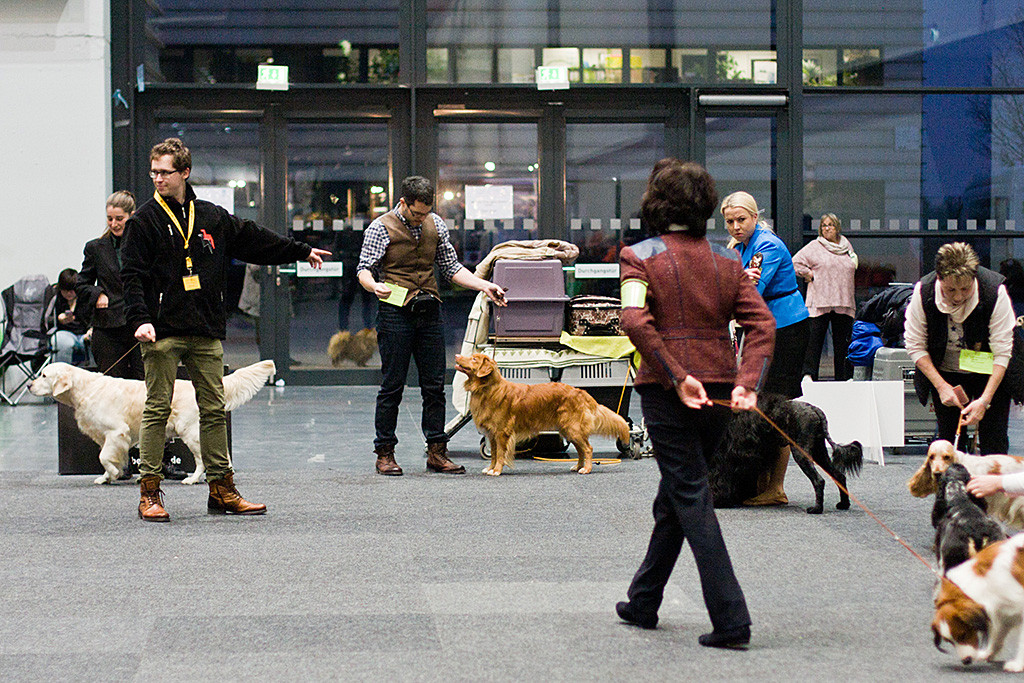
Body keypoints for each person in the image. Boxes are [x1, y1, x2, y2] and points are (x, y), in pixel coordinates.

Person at [122, 137, 331, 522]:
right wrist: (140, 319)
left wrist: (300, 251)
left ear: (184, 172)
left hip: (204, 328)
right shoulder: (143, 221)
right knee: (156, 409)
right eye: (153, 173)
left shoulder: (211, 216)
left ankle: (222, 489)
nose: (157, 180)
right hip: (162, 331)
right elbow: (131, 277)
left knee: (214, 409)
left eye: (165, 173)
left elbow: (254, 240)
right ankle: (149, 492)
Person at [615, 159, 775, 649]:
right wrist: (747, 382)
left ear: (655, 205)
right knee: (679, 494)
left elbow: (633, 322)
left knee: (690, 496)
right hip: (722, 390)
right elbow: (762, 326)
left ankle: (732, 619)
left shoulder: (637, 255)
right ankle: (643, 601)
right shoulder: (730, 263)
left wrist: (676, 375)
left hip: (667, 392)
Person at [357, 175, 506, 476]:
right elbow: (363, 270)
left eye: (426, 212)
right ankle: (384, 452)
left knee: (434, 386)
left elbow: (450, 268)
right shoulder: (380, 227)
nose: (422, 218)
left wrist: (483, 285)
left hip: (428, 310)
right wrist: (374, 287)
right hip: (394, 312)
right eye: (416, 213)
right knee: (392, 386)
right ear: (403, 203)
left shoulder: (436, 225)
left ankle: (436, 452)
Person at [78, 190, 190, 481]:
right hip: (108, 330)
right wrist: (97, 292)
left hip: (142, 326)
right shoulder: (96, 247)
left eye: (120, 219)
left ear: (131, 216)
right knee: (111, 402)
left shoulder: (145, 242)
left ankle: (159, 461)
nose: (114, 224)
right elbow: (81, 283)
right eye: (110, 219)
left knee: (152, 395)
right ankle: (119, 463)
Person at [722, 191, 809, 506]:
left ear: (755, 217)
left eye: (741, 220)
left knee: (777, 406)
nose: (735, 226)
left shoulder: (767, 245)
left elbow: (750, 291)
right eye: (730, 221)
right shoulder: (743, 246)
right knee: (759, 405)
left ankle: (777, 487)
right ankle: (761, 481)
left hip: (786, 328)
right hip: (763, 328)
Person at [904, 242, 1015, 455]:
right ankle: (952, 487)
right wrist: (941, 386)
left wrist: (984, 400)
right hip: (946, 374)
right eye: (950, 290)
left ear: (974, 279)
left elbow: (1003, 353)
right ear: (939, 279)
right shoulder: (924, 291)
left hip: (990, 371)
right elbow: (915, 345)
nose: (958, 296)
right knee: (949, 441)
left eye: (965, 289)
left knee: (994, 440)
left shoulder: (994, 290)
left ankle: (991, 488)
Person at [792, 213, 858, 381]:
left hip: (843, 300)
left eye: (831, 225)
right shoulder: (815, 246)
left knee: (843, 343)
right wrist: (809, 274)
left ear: (837, 228)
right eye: (824, 226)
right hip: (820, 301)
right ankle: (809, 375)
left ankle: (844, 378)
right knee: (814, 342)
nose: (827, 228)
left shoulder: (845, 245)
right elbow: (795, 262)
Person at [53, 268, 89, 365]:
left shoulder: (85, 296)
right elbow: (46, 320)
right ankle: (61, 374)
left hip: (84, 334)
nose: (69, 293)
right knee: (61, 341)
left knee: (97, 339)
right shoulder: (55, 298)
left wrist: (91, 330)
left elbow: (94, 317)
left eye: (72, 290)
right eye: (65, 291)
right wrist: (58, 319)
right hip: (65, 333)